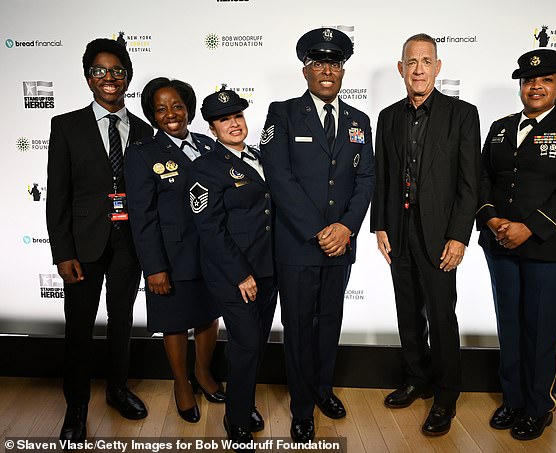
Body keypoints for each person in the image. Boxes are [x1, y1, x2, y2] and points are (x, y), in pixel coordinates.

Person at [476, 48, 556, 440]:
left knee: (541, 330)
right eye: (529, 80)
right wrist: (492, 219)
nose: (536, 86)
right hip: (500, 244)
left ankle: (538, 406)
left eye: (545, 80)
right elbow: (482, 179)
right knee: (510, 326)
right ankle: (513, 401)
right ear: (521, 85)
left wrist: (529, 227)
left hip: (552, 248)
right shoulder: (500, 127)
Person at [259, 28, 375, 443]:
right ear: (305, 69)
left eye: (335, 63)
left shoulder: (359, 120)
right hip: (298, 246)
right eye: (318, 62)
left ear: (343, 70)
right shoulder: (283, 113)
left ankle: (323, 390)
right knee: (299, 327)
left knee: (329, 323)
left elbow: (366, 179)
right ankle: (302, 407)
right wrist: (318, 230)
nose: (327, 70)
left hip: (341, 245)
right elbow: (279, 177)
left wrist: (345, 227)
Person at [370, 33, 480, 436]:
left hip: (440, 234)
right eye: (411, 62)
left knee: (441, 314)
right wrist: (379, 224)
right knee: (408, 311)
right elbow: (382, 176)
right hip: (398, 231)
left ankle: (447, 394)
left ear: (438, 66)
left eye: (426, 61)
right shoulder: (387, 117)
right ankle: (418, 378)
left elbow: (470, 183)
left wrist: (459, 236)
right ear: (401, 68)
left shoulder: (462, 114)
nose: (419, 69)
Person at [46, 38, 153, 443]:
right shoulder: (66, 126)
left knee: (122, 323)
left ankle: (117, 390)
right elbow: (57, 195)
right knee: (78, 328)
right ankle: (76, 407)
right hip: (82, 247)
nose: (109, 78)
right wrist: (63, 252)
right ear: (88, 75)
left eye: (117, 70)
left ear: (128, 75)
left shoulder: (144, 130)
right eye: (100, 71)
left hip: (129, 244)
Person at [124, 77, 224, 424]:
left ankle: (203, 373)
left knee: (209, 316)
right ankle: (181, 383)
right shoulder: (141, 154)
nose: (171, 113)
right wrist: (154, 267)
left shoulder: (210, 146)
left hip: (212, 255)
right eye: (161, 108)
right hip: (170, 257)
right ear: (152, 114)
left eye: (177, 106)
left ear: (189, 109)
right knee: (176, 323)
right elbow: (141, 216)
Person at [190, 87, 277, 448]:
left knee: (254, 344)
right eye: (224, 120)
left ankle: (245, 402)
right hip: (234, 274)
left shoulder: (259, 156)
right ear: (212, 128)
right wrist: (241, 274)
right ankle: (236, 420)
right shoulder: (205, 168)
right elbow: (209, 227)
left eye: (237, 116)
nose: (234, 124)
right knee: (247, 342)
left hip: (268, 268)